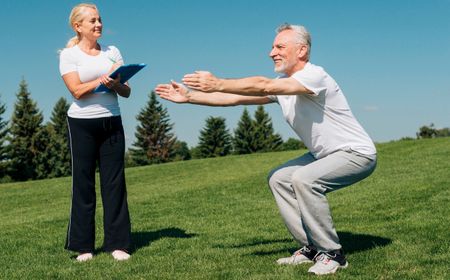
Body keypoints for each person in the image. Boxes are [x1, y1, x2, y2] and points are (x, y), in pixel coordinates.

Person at [155, 23, 377, 275]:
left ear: (302, 51)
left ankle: (333, 254)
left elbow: (264, 85)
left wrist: (218, 82)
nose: (272, 52)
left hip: (356, 153)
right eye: (273, 47)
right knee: (279, 178)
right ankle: (310, 248)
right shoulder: (285, 85)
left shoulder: (315, 76)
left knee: (304, 179)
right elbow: (236, 99)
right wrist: (190, 96)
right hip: (324, 155)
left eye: (280, 46)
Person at [59, 3, 132, 262]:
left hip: (112, 121)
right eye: (92, 21)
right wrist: (102, 82)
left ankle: (118, 244)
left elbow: (126, 91)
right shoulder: (69, 55)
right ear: (78, 26)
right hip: (81, 124)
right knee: (83, 184)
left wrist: (117, 84)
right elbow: (76, 91)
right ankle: (83, 247)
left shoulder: (112, 52)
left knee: (114, 183)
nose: (98, 24)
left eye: (99, 20)